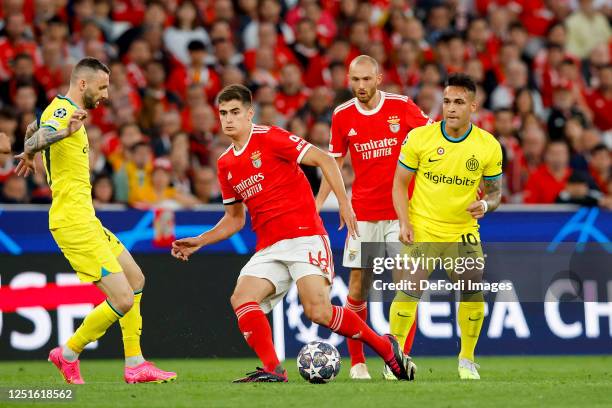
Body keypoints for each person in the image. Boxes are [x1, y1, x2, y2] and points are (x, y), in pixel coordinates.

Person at [171, 84, 414, 383]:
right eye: (223, 113)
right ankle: (274, 368)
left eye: (235, 112)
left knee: (319, 312)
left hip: (304, 236)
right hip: (270, 246)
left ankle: (386, 349)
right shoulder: (225, 164)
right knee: (242, 298)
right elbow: (234, 219)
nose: (228, 119)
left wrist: (345, 204)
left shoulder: (270, 137)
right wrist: (201, 240)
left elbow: (325, 159)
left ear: (249, 114)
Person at [13, 57, 176, 384]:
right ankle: (68, 352)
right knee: (122, 298)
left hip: (86, 218)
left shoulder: (59, 109)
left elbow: (34, 130)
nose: (105, 94)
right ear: (83, 83)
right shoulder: (64, 114)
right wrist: (41, 143)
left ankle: (135, 364)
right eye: (102, 86)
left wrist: (32, 150)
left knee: (136, 279)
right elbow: (40, 134)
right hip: (72, 221)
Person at [315, 55, 431, 380]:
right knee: (358, 287)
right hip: (362, 214)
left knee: (405, 287)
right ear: (348, 81)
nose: (361, 86)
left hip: (400, 215)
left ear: (379, 78)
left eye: (367, 79)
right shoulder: (342, 115)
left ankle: (398, 360)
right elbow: (333, 164)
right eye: (355, 80)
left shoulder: (402, 106)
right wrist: (318, 204)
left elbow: (434, 141)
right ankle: (358, 362)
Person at [392, 73, 503, 380]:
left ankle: (466, 359)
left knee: (472, 288)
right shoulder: (420, 138)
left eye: (459, 102)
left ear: (473, 106)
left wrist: (485, 205)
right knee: (409, 289)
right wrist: (404, 221)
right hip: (424, 227)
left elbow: (495, 193)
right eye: (447, 101)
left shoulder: (487, 146)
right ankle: (395, 360)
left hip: (462, 231)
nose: (451, 108)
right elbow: (399, 185)